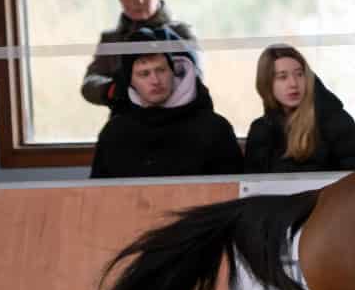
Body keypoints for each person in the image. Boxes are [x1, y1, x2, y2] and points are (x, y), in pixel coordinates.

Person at [89, 27, 242, 178]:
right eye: (144, 74)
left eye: (161, 70)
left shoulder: (214, 129)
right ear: (130, 82)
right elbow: (98, 191)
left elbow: (236, 189)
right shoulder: (114, 134)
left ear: (172, 71)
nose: (155, 80)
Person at [244, 44, 355, 173]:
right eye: (282, 77)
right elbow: (251, 181)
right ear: (266, 84)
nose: (293, 83)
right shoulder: (260, 129)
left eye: (299, 74)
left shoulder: (334, 120)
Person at [81, 0, 198, 107]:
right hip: (127, 115)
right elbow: (89, 83)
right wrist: (113, 89)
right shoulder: (111, 39)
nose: (139, 0)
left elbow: (196, 76)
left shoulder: (180, 32)